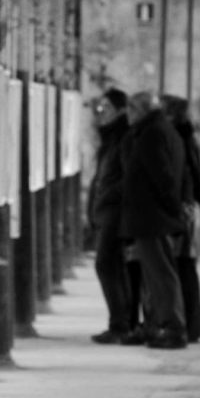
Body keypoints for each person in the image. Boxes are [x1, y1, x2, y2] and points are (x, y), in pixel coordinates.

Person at [120, 92, 188, 349]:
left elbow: (163, 177)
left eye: (131, 109)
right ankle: (158, 324)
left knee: (161, 275)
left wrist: (171, 214)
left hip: (154, 218)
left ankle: (173, 327)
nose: (128, 114)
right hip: (152, 217)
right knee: (154, 275)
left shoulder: (153, 134)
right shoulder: (158, 130)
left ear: (141, 110)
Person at [161, 94, 200, 343]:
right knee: (184, 268)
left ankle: (189, 325)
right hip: (190, 209)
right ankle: (191, 325)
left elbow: (195, 177)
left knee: (183, 268)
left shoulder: (181, 142)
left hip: (186, 211)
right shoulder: (186, 140)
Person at [87, 88, 136, 344]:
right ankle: (120, 322)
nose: (101, 112)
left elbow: (127, 178)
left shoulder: (123, 138)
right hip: (107, 211)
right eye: (99, 108)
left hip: (116, 213)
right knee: (110, 265)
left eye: (106, 108)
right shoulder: (111, 138)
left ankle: (121, 323)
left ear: (120, 111)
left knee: (107, 264)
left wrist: (106, 196)